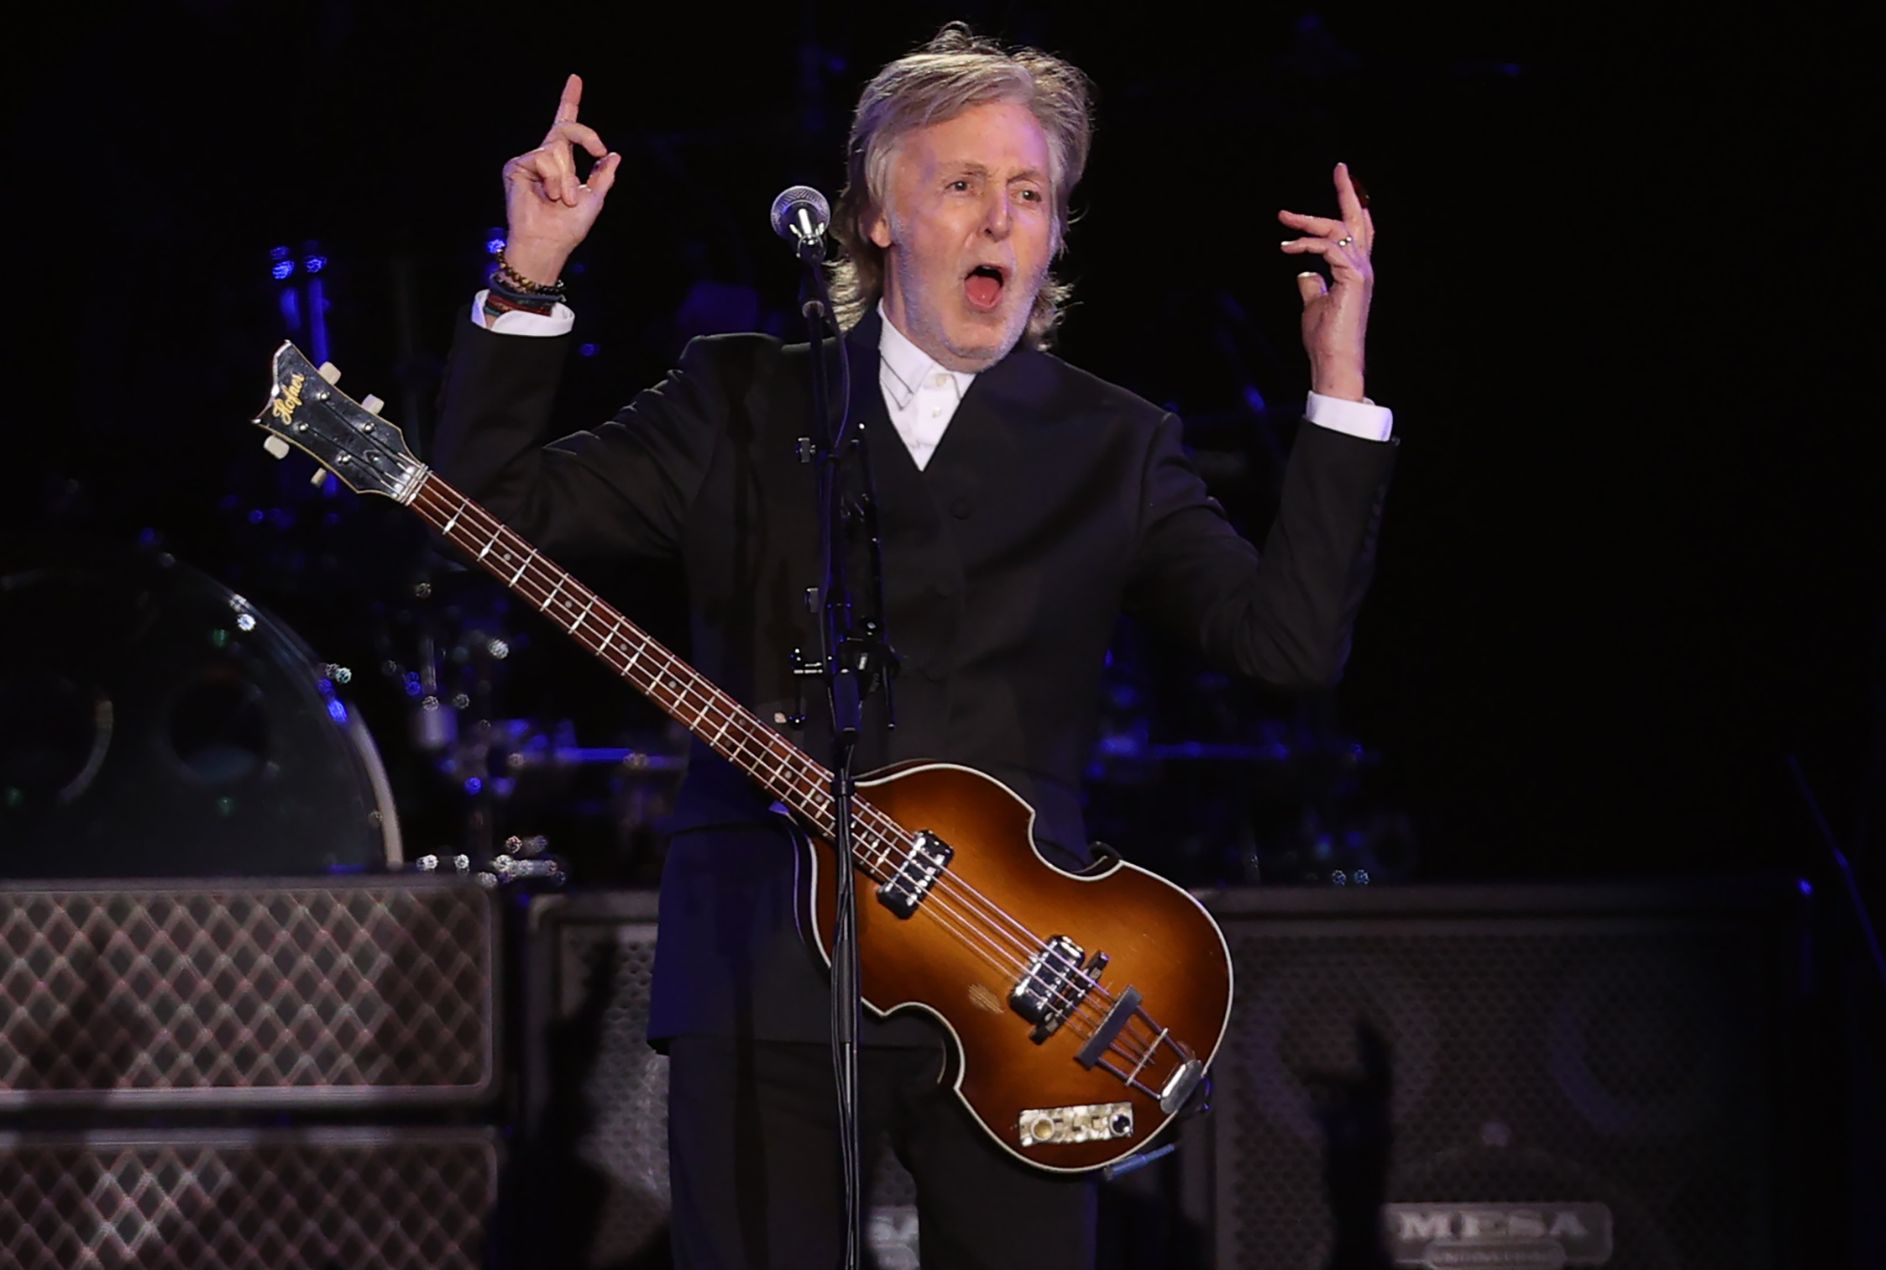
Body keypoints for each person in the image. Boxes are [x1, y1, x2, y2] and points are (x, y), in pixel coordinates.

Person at [432, 23, 1396, 1269]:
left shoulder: (1113, 440)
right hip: (763, 970)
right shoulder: (738, 400)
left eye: (1031, 194)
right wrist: (528, 275)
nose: (1002, 220)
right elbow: (488, 517)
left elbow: (1286, 644)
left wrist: (1337, 385)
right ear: (879, 216)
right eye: (963, 185)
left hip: (1031, 992)